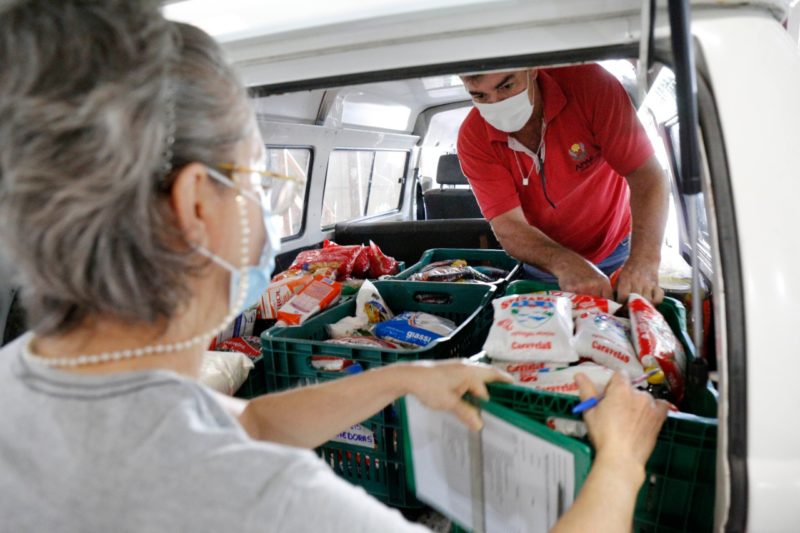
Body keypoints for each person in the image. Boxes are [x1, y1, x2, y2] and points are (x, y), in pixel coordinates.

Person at [0, 1, 667, 531]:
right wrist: (621, 461)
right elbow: (236, 454)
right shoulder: (273, 500)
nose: (266, 207)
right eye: (260, 180)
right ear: (198, 204)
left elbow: (249, 425)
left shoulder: (31, 371)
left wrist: (401, 375)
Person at [458, 65, 669, 304]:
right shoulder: (473, 137)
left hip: (617, 249)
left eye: (506, 86)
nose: (496, 103)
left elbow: (647, 177)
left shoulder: (591, 87)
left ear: (532, 70)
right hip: (545, 264)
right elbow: (508, 225)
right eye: (480, 96)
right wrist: (564, 263)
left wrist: (644, 261)